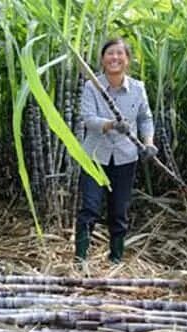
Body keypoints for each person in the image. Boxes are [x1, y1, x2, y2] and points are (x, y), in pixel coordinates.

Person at [75, 38, 158, 264]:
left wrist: (148, 143)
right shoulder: (92, 86)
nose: (115, 58)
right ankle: (80, 260)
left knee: (119, 211)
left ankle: (115, 260)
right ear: (102, 59)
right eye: (110, 53)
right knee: (90, 208)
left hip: (125, 157)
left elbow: (145, 118)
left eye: (120, 54)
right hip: (94, 156)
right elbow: (89, 119)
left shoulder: (138, 88)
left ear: (127, 60)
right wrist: (112, 124)